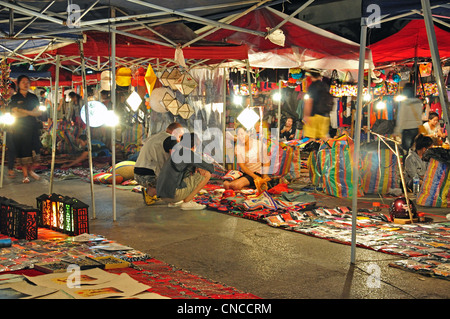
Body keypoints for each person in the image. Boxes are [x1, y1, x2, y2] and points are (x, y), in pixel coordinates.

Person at [156, 132, 214, 210]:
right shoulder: (187, 153)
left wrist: (197, 166)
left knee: (190, 172)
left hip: (162, 195)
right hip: (174, 194)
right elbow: (211, 168)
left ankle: (174, 202)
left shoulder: (176, 152)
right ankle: (187, 202)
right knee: (206, 174)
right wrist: (199, 166)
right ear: (194, 146)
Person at [134, 122, 184, 205]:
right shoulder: (171, 139)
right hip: (150, 176)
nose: (180, 139)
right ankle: (169, 197)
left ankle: (151, 192)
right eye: (180, 136)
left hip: (138, 174)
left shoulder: (155, 137)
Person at [10, 75, 42, 183]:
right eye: (23, 82)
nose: (26, 83)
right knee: (22, 151)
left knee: (35, 149)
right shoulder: (15, 98)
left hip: (32, 127)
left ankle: (31, 170)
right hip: (20, 128)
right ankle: (25, 175)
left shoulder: (33, 97)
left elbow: (38, 112)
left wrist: (23, 111)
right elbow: (15, 114)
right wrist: (30, 113)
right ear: (18, 84)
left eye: (27, 81)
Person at [223, 126, 271, 191]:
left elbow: (266, 162)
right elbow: (242, 166)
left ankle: (247, 187)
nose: (240, 137)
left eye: (242, 134)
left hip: (257, 173)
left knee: (235, 185)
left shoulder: (259, 144)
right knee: (225, 183)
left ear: (248, 133)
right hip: (246, 173)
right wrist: (254, 177)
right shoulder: (238, 147)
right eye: (238, 135)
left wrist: (264, 176)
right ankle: (248, 187)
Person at [302, 70, 333, 141]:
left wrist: (306, 115)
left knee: (311, 138)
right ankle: (328, 151)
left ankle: (312, 152)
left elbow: (309, 102)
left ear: (311, 76)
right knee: (323, 138)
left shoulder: (312, 86)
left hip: (314, 116)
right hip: (325, 116)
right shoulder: (326, 86)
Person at [394, 83, 423, 151]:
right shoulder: (418, 102)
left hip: (407, 129)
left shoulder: (404, 103)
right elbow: (419, 116)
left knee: (407, 150)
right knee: (415, 149)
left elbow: (401, 117)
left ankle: (407, 161)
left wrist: (397, 130)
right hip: (416, 128)